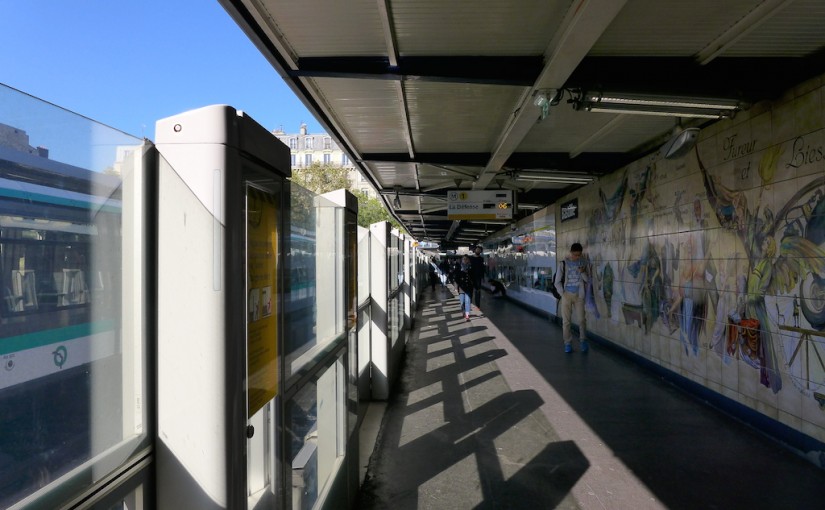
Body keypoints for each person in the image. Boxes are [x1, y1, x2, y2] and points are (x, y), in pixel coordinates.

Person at [554, 242, 590, 353]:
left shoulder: (583, 263)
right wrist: (562, 294)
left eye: (579, 255)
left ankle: (583, 341)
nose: (576, 257)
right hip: (566, 295)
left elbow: (587, 280)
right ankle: (567, 343)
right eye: (575, 255)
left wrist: (583, 272)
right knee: (566, 321)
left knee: (581, 320)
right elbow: (557, 282)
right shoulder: (563, 264)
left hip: (579, 295)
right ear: (571, 253)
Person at [455, 255, 474, 321]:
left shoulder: (471, 268)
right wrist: (456, 287)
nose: (465, 260)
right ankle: (464, 311)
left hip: (468, 287)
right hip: (461, 288)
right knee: (462, 302)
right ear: (462, 260)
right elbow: (456, 279)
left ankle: (467, 315)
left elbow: (474, 278)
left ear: (468, 260)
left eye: (466, 259)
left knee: (467, 301)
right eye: (464, 259)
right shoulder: (458, 268)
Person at [469, 245, 485, 310]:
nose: (478, 250)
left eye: (479, 250)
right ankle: (469, 304)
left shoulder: (481, 259)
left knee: (478, 291)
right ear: (475, 250)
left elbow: (482, 268)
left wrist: (483, 277)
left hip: (478, 277)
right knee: (470, 291)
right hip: (471, 276)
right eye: (477, 249)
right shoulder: (471, 258)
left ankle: (478, 305)